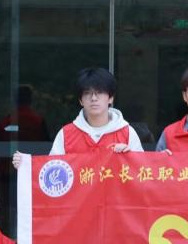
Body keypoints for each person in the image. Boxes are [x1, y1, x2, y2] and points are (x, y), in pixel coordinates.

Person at [12, 67, 143, 169]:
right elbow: (51, 171)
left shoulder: (127, 133)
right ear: (80, 100)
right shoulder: (66, 134)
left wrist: (129, 156)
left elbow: (143, 173)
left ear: (111, 98)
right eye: (87, 93)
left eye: (99, 92)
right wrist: (26, 165)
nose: (93, 98)